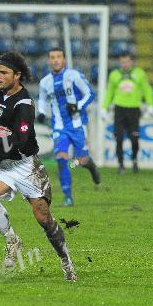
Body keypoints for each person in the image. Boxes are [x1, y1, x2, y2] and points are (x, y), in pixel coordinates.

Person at [0, 51, 77, 282]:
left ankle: (66, 260)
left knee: (43, 218)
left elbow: (19, 143)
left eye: (4, 73)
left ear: (17, 76)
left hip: (25, 165)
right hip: (0, 163)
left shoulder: (24, 103)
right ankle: (12, 240)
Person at [37, 48, 101, 206]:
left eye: (58, 57)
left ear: (64, 59)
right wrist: (41, 112)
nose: (55, 60)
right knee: (61, 159)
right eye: (52, 57)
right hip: (59, 127)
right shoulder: (45, 82)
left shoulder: (73, 76)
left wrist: (77, 105)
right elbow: (42, 100)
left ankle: (90, 165)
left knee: (82, 159)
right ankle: (68, 197)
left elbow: (90, 94)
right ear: (49, 61)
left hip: (77, 125)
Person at [101, 52, 153, 174]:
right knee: (118, 138)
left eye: (126, 62)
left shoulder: (140, 73)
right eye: (122, 62)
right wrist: (104, 107)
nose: (124, 64)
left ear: (131, 62)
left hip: (134, 110)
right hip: (119, 109)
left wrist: (150, 105)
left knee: (134, 138)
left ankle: (135, 160)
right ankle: (121, 165)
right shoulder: (114, 75)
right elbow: (110, 92)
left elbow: (147, 90)